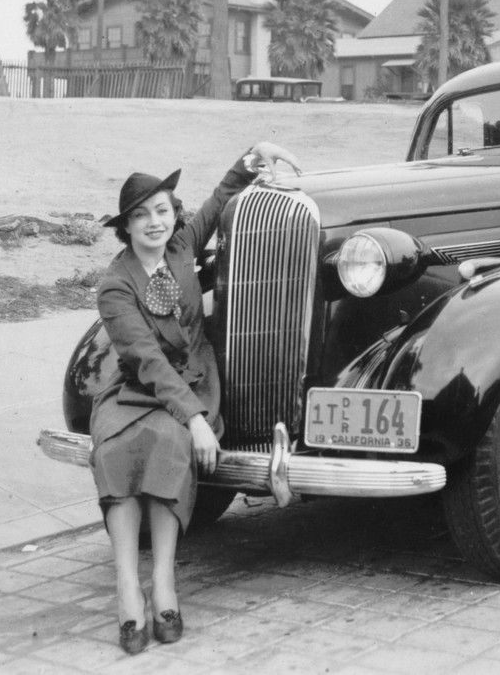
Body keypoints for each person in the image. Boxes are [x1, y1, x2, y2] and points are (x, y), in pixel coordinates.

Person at [92, 140, 301, 654]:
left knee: (169, 444)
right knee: (115, 449)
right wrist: (197, 419)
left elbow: (220, 197)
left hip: (193, 383)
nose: (154, 223)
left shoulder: (183, 245)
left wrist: (256, 155)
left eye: (162, 211)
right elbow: (146, 359)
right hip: (137, 389)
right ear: (126, 227)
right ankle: (126, 589)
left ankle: (163, 581)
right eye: (141, 217)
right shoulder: (114, 285)